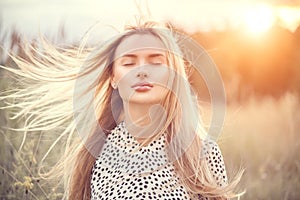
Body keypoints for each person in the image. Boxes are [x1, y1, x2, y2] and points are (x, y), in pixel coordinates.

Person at [1, 20, 242, 199]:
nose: (142, 70)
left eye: (156, 61)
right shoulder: (94, 155)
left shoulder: (201, 152)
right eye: (129, 62)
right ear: (113, 78)